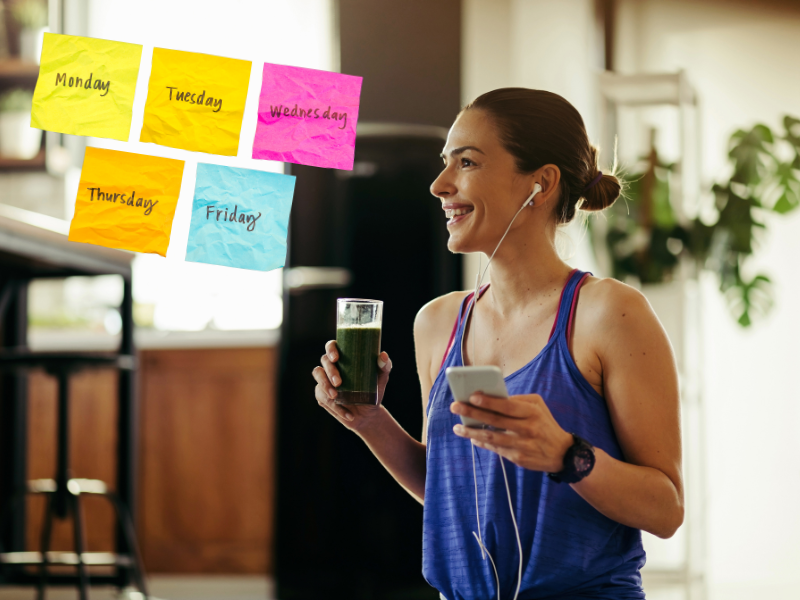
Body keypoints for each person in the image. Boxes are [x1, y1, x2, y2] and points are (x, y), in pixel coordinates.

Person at [312, 88, 683, 600]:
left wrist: (566, 456)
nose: (440, 185)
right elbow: (451, 489)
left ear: (541, 183)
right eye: (446, 164)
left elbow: (666, 509)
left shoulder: (611, 314)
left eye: (467, 162)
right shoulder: (437, 323)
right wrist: (369, 421)